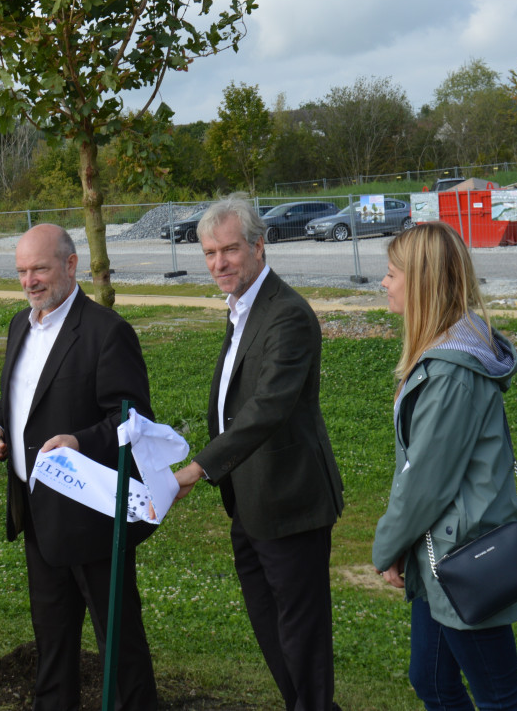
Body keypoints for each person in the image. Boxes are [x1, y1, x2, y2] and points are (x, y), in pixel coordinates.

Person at [172, 196, 345, 711]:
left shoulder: (286, 314)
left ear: (258, 245)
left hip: (290, 502)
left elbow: (267, 406)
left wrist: (199, 467)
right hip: (248, 502)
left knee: (302, 638)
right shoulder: (242, 309)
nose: (219, 263)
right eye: (209, 253)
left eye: (229, 250)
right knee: (271, 630)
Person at [0, 224, 157, 711]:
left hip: (91, 514)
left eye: (39, 268)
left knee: (116, 635)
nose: (29, 280)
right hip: (37, 512)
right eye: (21, 271)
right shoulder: (21, 324)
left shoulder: (106, 331)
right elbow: (16, 401)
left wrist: (79, 440)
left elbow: (133, 419)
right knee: (51, 633)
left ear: (71, 265)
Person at [372, 222, 517, 710]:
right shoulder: (444, 354)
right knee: (432, 681)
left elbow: (424, 483)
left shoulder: (451, 374)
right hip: (438, 555)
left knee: (499, 697)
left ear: (419, 282)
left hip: (464, 557)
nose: (384, 282)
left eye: (392, 273)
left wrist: (386, 548)